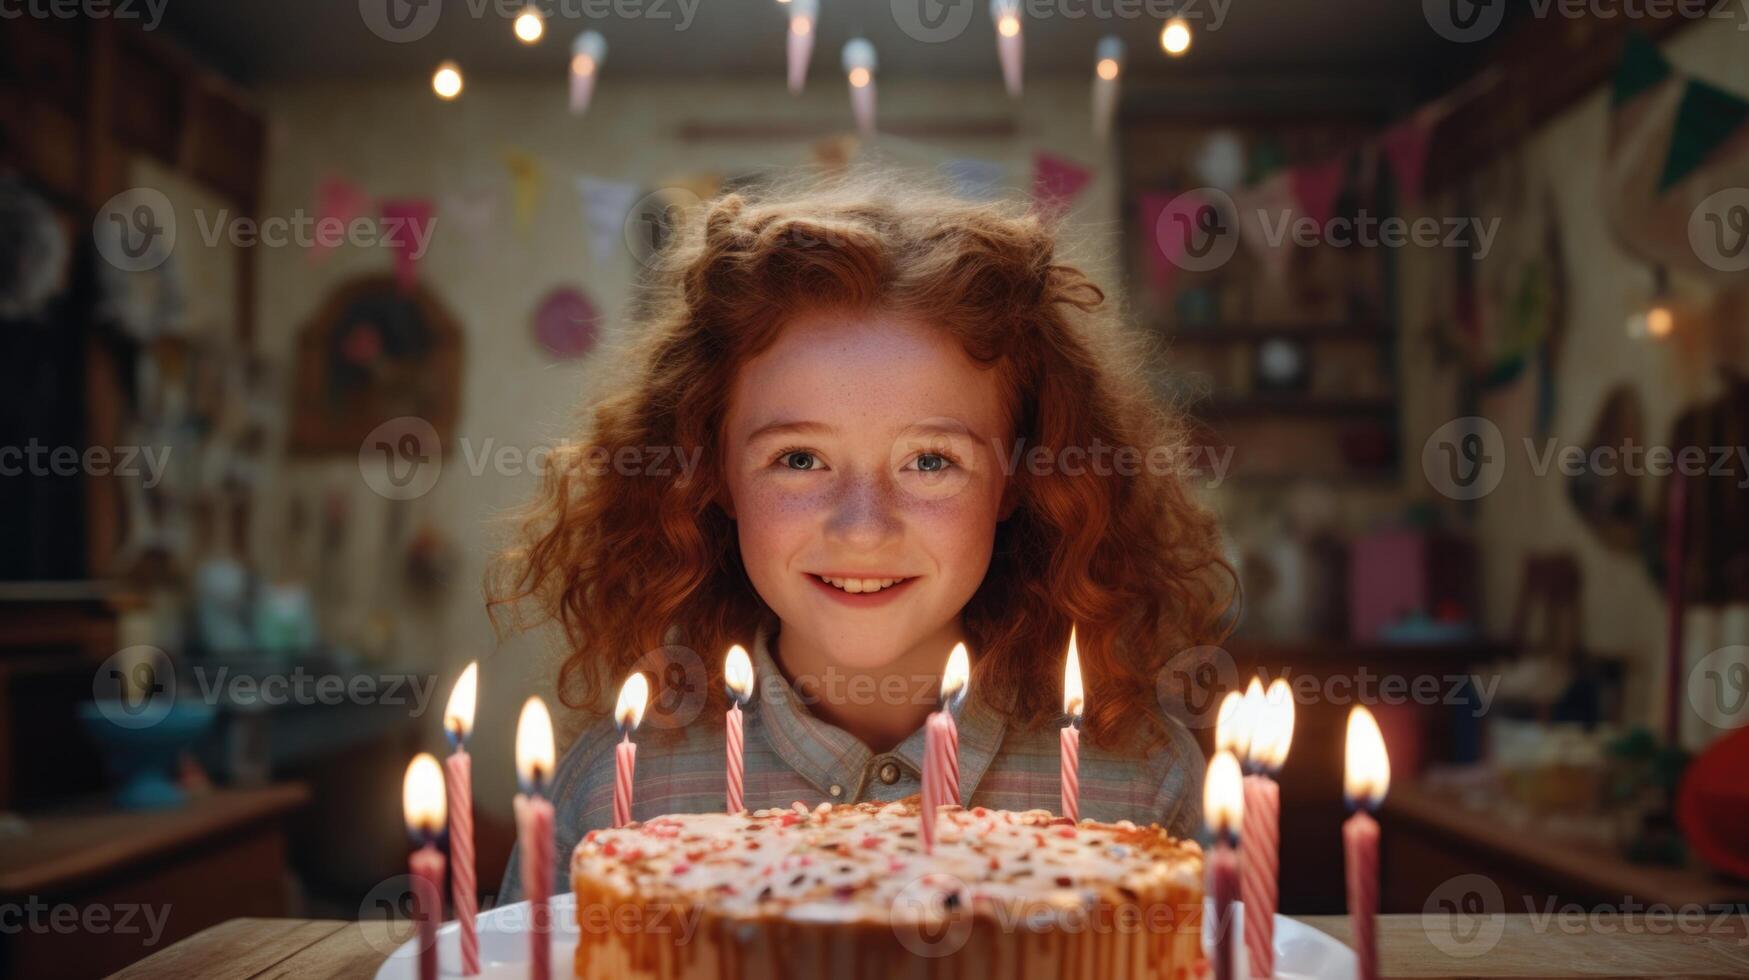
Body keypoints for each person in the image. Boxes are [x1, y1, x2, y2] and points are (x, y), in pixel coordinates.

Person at [492, 171, 1235, 901]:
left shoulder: (1141, 781)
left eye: (931, 461)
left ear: (1021, 476)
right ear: (709, 473)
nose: (862, 527)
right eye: (798, 459)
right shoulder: (615, 789)